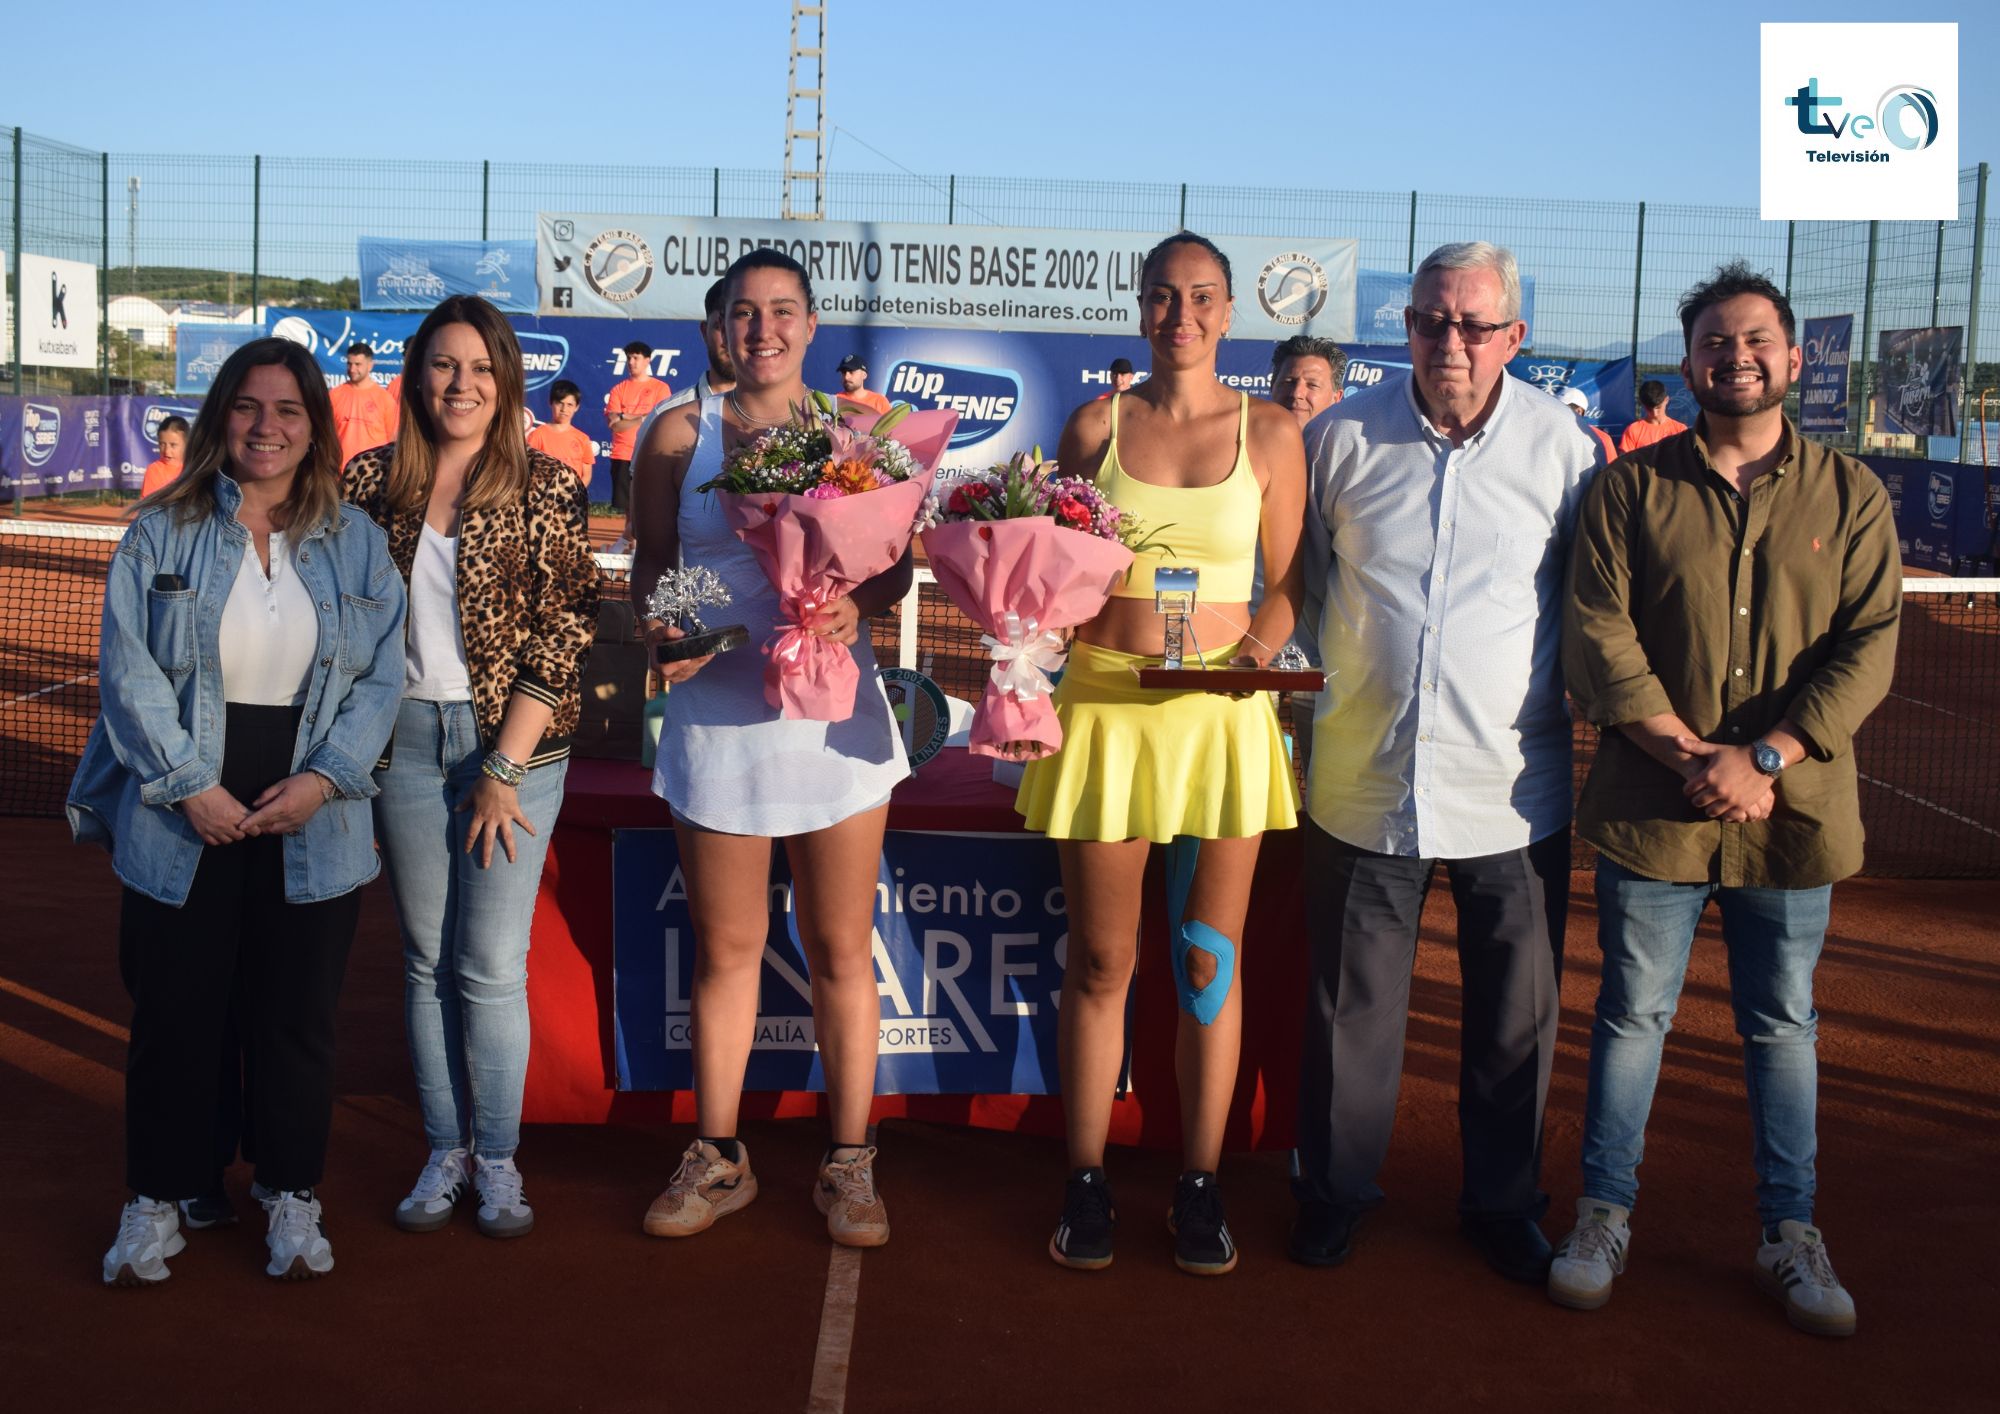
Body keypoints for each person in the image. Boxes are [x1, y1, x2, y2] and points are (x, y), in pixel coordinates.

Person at [1549, 261, 1899, 1338]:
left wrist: (1766, 758)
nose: (1734, 357)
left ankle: (1789, 1232)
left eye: (1754, 341)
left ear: (1791, 359)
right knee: (1631, 1016)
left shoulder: (1852, 494)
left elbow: (1869, 644)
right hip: (1653, 812)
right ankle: (1602, 1215)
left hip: (1790, 818)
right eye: (1713, 341)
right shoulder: (1628, 490)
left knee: (1781, 1024)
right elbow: (1598, 631)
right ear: (1689, 361)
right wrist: (1692, 756)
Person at [1291, 242, 1598, 1283]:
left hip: (1511, 791)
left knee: (1515, 1017)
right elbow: (1300, 594)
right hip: (1361, 780)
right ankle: (1333, 1193)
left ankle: (1502, 1205)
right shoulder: (1337, 438)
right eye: (1429, 321)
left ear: (1514, 337)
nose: (1449, 342)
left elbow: (1586, 607)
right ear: (1408, 328)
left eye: (1473, 324)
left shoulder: (1564, 450)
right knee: (1348, 1011)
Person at [71, 337, 407, 1284]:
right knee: (177, 1016)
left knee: (296, 1018)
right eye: (249, 407)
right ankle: (159, 1197)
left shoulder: (358, 540)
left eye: (288, 410)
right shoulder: (159, 530)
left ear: (314, 427)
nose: (268, 427)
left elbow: (381, 677)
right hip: (182, 810)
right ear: (222, 415)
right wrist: (190, 785)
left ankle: (290, 1193)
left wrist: (324, 779)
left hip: (315, 811)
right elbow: (128, 672)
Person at [1018, 231, 1307, 1276]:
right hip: (1106, 711)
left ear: (1228, 311)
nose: (1179, 315)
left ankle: (1199, 1183)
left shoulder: (1271, 431)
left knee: (1204, 963)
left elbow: (1290, 581)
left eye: (1201, 297)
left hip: (1222, 723)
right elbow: (1052, 569)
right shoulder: (1094, 425)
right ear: (1139, 308)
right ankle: (1085, 1179)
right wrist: (1024, 638)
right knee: (1102, 962)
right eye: (1161, 296)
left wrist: (1253, 661)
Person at [631, 249, 910, 1250]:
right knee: (727, 950)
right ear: (718, 329)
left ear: (811, 324)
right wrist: (677, 627)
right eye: (743, 314)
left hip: (836, 726)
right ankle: (719, 1153)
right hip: (719, 723)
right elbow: (658, 565)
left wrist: (852, 608)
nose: (763, 330)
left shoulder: (858, 433)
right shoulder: (677, 433)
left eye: (782, 311)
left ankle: (850, 1161)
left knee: (840, 948)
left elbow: (894, 568)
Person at [342, 295, 600, 1241]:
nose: (462, 384)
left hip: (516, 752)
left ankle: (496, 1157)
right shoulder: (370, 481)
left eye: (482, 368)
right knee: (425, 961)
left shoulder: (547, 485)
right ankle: (444, 1148)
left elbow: (567, 625)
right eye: (445, 365)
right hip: (404, 746)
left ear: (506, 380)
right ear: (418, 376)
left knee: (488, 964)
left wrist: (503, 764)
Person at [602, 341, 671, 552]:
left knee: (647, 504)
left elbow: (660, 419)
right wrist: (642, 417)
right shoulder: (618, 389)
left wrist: (626, 415)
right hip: (623, 454)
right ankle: (632, 549)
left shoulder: (660, 388)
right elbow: (615, 425)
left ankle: (636, 548)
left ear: (647, 360)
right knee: (629, 508)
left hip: (649, 453)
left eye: (636, 358)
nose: (631, 362)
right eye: (629, 358)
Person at [328, 342, 398, 468]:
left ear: (370, 365)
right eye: (349, 364)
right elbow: (327, 435)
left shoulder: (385, 398)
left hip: (372, 473)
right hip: (339, 472)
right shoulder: (334, 395)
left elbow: (392, 441)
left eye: (358, 364)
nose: (352, 369)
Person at [526, 379, 596, 483]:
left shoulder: (583, 439)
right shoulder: (537, 435)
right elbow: (528, 470)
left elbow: (586, 475)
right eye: (560, 403)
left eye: (569, 405)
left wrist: (574, 491)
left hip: (574, 492)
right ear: (551, 403)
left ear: (576, 407)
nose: (564, 409)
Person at [1270, 335, 1347, 428]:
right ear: (1272, 386)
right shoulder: (1252, 435)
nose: (1296, 394)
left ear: (1336, 398)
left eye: (1312, 385)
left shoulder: (1348, 437)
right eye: (1289, 382)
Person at [1616, 378, 1689, 454]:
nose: (1655, 413)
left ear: (1666, 400)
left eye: (1658, 407)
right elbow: (1626, 459)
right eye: (1649, 409)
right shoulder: (1633, 430)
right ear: (1643, 405)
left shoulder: (1680, 430)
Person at [1559, 386, 1618, 462]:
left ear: (1579, 411)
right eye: (1554, 406)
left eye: (1562, 407)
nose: (1556, 411)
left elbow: (1612, 468)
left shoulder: (1602, 439)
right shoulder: (1549, 430)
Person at [138, 415, 189, 497]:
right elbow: (149, 502)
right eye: (162, 444)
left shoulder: (193, 469)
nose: (166, 451)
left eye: (173, 445)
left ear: (187, 444)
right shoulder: (154, 470)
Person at [836, 353, 891, 418]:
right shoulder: (836, 401)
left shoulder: (879, 401)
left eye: (851, 372)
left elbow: (892, 424)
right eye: (843, 373)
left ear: (864, 375)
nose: (846, 377)